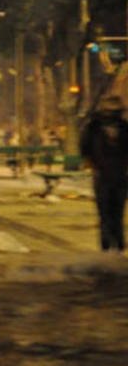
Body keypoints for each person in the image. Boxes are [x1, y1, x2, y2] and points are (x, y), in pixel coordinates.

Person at [79, 93, 128, 252]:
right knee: (105, 213)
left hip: (120, 176)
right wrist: (92, 165)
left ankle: (118, 244)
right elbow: (85, 148)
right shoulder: (93, 127)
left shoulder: (124, 127)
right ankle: (106, 245)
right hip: (103, 176)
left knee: (118, 213)